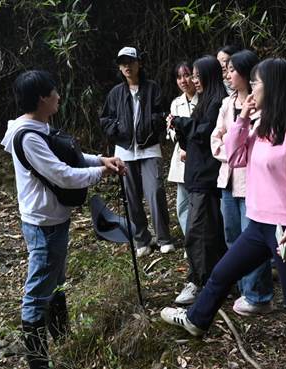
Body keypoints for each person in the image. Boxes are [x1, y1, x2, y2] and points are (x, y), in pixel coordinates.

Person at [161, 58, 286, 369]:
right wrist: (244, 117)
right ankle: (196, 320)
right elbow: (235, 156)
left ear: (274, 87)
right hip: (259, 224)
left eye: (257, 84)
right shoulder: (261, 124)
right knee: (222, 273)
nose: (251, 89)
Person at [0, 70, 125, 369]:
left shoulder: (39, 127)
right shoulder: (27, 136)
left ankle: (61, 334)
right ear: (42, 98)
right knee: (38, 291)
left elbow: (67, 157)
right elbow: (63, 175)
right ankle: (38, 361)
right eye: (54, 92)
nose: (59, 96)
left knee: (55, 280)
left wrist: (99, 160)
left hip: (54, 218)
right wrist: (102, 172)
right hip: (44, 224)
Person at [210, 49, 274, 316]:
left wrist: (239, 151)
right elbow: (217, 139)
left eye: (233, 70)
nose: (228, 74)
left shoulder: (263, 105)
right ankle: (243, 288)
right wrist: (234, 153)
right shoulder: (227, 104)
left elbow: (259, 147)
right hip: (227, 180)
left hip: (252, 184)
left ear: (247, 74)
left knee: (252, 240)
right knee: (233, 237)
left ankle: (258, 295)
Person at [100, 46, 174, 257]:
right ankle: (142, 238)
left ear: (139, 63)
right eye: (122, 63)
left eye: (130, 61)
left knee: (155, 192)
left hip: (149, 147)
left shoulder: (152, 88)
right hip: (124, 150)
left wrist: (152, 124)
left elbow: (162, 114)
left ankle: (164, 237)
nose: (127, 66)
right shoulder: (115, 93)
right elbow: (105, 119)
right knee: (131, 197)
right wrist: (118, 130)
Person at [167, 55, 227, 305]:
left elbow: (204, 133)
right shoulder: (206, 101)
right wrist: (179, 127)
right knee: (203, 230)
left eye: (196, 75)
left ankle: (200, 282)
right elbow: (192, 136)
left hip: (206, 176)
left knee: (199, 232)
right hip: (196, 175)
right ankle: (210, 278)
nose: (193, 80)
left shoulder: (217, 103)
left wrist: (181, 122)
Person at [167, 61, 198, 237]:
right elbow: (171, 130)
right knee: (182, 204)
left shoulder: (203, 100)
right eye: (179, 77)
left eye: (187, 75)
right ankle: (190, 239)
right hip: (181, 157)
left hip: (199, 158)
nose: (183, 80)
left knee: (199, 203)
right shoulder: (176, 103)